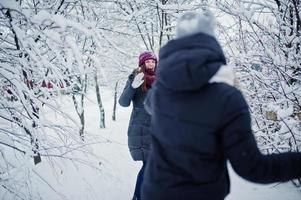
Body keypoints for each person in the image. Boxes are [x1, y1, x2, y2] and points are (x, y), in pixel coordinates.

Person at [141, 10, 301, 200]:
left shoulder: (160, 93)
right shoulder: (227, 98)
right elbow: (252, 167)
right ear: (210, 43)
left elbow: (150, 104)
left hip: (154, 193)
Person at [118, 51, 157, 200]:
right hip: (141, 129)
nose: (151, 64)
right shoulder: (136, 78)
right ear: (142, 63)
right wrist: (133, 86)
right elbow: (123, 102)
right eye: (148, 62)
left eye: (153, 61)